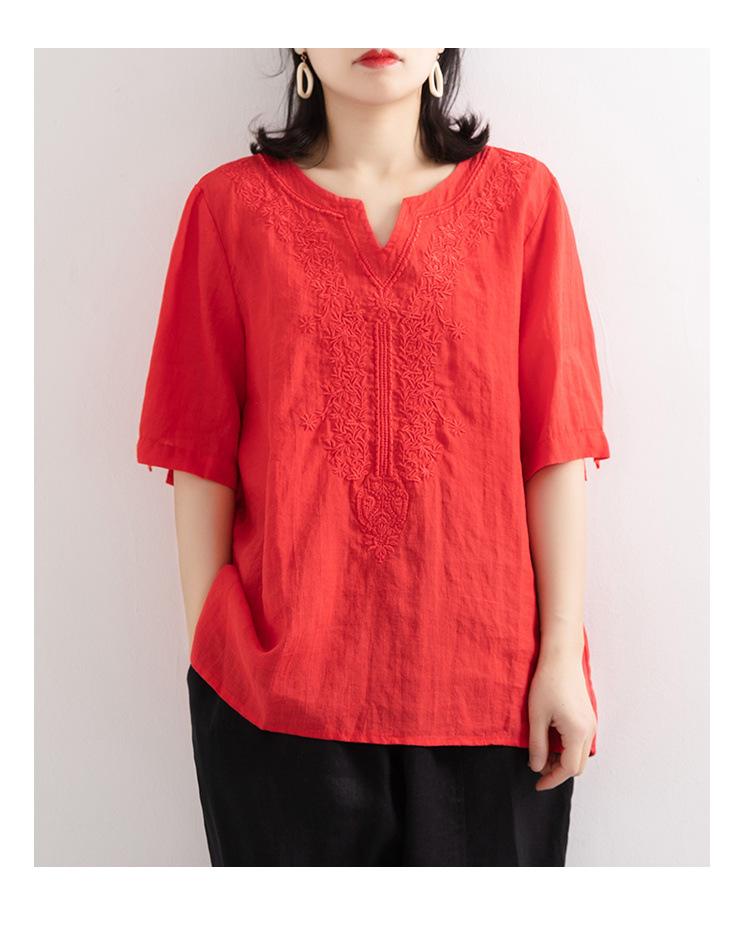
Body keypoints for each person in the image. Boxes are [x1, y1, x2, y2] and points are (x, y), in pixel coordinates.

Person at [136, 48, 610, 867]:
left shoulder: (524, 202)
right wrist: (214, 652)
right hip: (276, 710)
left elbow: (557, 444)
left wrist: (562, 654)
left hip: (494, 702)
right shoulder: (228, 210)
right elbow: (199, 452)